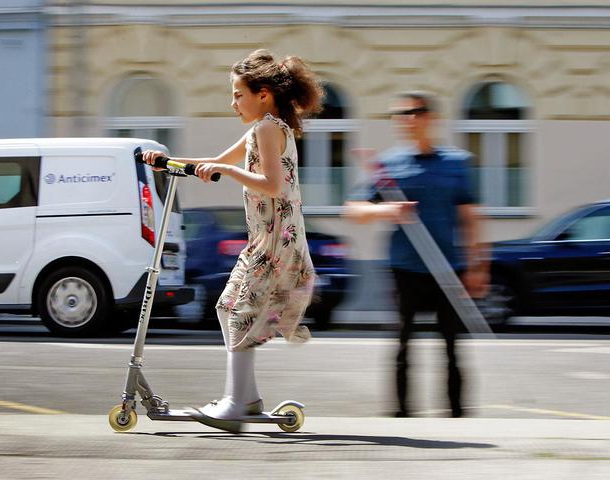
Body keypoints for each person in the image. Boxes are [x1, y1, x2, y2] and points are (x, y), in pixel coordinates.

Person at [143, 49, 323, 432]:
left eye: (238, 94)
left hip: (275, 240)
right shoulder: (262, 130)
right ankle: (248, 398)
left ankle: (235, 403)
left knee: (240, 313)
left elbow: (272, 185)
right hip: (265, 239)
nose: (233, 102)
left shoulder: (269, 129)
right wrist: (166, 162)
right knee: (228, 308)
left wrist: (226, 169)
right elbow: (210, 163)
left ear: (264, 94)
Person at [344, 91, 489, 418]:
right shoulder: (389, 164)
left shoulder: (456, 163)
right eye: (400, 114)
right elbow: (354, 210)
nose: (407, 119)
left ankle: (457, 416)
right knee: (403, 343)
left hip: (448, 267)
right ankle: (401, 416)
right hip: (404, 268)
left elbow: (470, 217)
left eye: (415, 112)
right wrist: (388, 210)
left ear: (431, 118)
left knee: (452, 347)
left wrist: (478, 266)